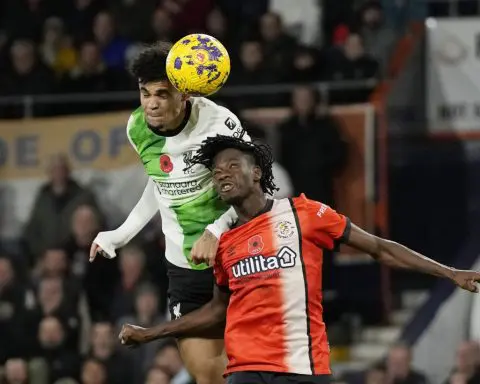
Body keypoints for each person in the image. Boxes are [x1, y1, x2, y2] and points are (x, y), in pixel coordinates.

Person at [119, 135, 480, 384]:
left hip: (302, 366)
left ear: (256, 172)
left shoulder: (306, 214)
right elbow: (218, 311)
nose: (221, 174)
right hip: (245, 370)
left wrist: (449, 272)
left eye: (231, 166)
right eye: (216, 172)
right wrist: (152, 333)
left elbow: (379, 248)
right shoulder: (224, 244)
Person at [89, 43, 248, 384]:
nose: (152, 103)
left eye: (162, 93)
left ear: (185, 95)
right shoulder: (137, 128)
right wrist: (120, 234)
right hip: (184, 270)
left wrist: (216, 230)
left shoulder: (219, 125)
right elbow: (161, 183)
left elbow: (253, 189)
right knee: (206, 372)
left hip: (237, 257)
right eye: (145, 93)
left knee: (253, 366)